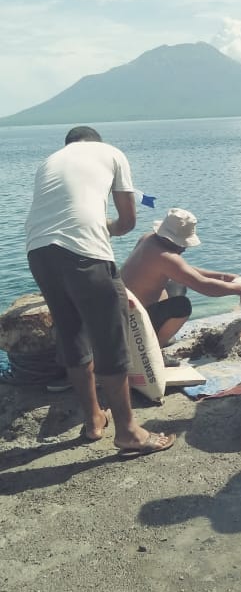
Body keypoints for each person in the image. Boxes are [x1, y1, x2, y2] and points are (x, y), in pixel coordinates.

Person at [25, 126, 174, 456]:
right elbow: (127, 221)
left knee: (71, 332)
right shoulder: (111, 153)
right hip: (83, 253)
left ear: (69, 145)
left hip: (38, 252)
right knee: (109, 337)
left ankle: (94, 421)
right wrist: (106, 226)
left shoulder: (49, 162)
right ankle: (128, 432)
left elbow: (60, 214)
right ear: (95, 142)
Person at [121, 207, 241, 346]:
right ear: (173, 240)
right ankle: (154, 348)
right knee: (183, 306)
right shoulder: (167, 258)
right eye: (183, 243)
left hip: (123, 313)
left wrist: (223, 276)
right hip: (134, 322)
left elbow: (184, 271)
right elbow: (205, 287)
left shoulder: (148, 238)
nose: (185, 248)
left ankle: (158, 334)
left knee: (178, 284)